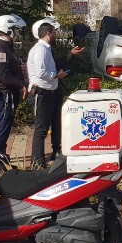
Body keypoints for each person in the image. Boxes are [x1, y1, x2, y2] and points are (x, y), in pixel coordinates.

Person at [28, 19, 84, 168]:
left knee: (55, 123)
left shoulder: (46, 49)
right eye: (54, 33)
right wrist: (57, 76)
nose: (56, 35)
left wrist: (70, 54)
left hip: (51, 92)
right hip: (42, 93)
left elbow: (53, 65)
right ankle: (37, 162)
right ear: (48, 34)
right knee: (41, 129)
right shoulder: (40, 49)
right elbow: (41, 73)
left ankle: (55, 151)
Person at [0, 14, 27, 178]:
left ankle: (1, 161)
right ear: (8, 29)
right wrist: (20, 84)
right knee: (2, 129)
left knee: (5, 128)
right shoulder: (1, 48)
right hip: (4, 94)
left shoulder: (6, 47)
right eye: (15, 29)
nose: (17, 33)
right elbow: (2, 75)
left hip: (7, 94)